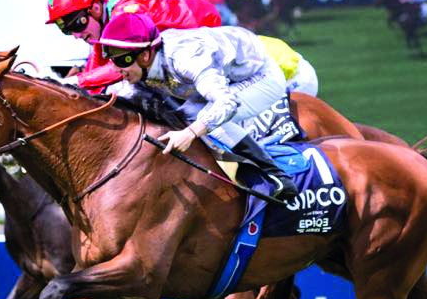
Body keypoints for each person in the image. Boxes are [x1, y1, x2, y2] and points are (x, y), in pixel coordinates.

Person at [98, 11, 300, 202]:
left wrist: (189, 134)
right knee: (185, 114)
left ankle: (276, 177)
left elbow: (226, 104)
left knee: (208, 119)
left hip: (260, 76)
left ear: (144, 56)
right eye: (110, 57)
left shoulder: (186, 59)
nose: (115, 67)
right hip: (226, 78)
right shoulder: (142, 63)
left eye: (120, 59)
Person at [45, 0, 221, 92]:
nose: (76, 35)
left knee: (130, 88)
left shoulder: (123, 15)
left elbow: (118, 69)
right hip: (178, 40)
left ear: (95, 9)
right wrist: (61, 87)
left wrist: (72, 82)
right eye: (65, 30)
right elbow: (96, 65)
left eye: (76, 25)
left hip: (203, 35)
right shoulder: (105, 19)